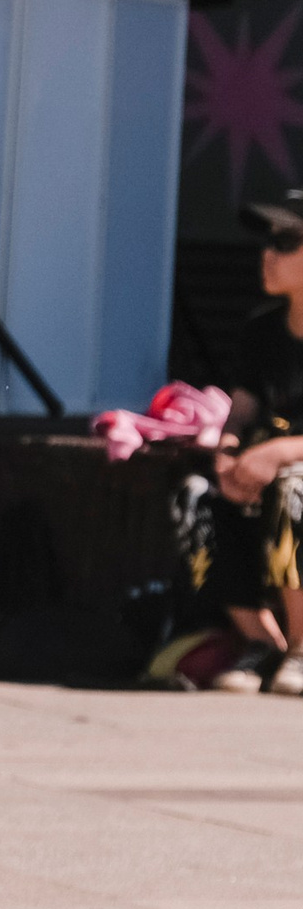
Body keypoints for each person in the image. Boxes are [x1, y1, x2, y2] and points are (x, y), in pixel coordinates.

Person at [176, 190, 303, 695]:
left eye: (288, 242)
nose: (267, 255)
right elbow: (244, 404)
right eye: (267, 242)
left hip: (291, 474)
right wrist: (229, 453)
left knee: (295, 488)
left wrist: (276, 454)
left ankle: (301, 647)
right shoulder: (262, 330)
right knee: (195, 494)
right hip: (262, 472)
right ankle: (260, 642)